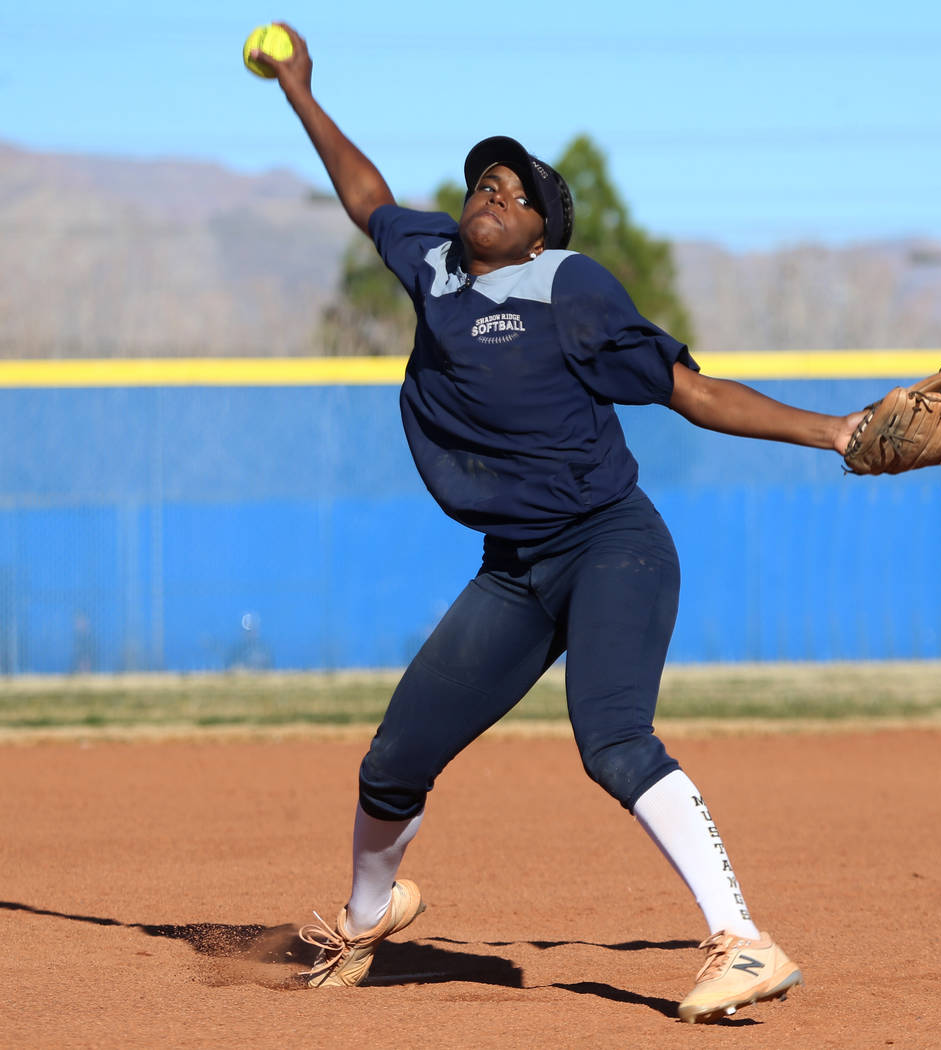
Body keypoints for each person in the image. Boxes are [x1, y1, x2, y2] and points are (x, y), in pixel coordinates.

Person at [253, 25, 865, 1024]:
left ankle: (743, 940)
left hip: (611, 542)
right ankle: (367, 919)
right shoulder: (434, 265)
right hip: (513, 573)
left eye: (515, 189)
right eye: (484, 179)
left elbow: (686, 393)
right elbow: (365, 196)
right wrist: (299, 90)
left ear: (541, 228)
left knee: (613, 738)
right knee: (392, 763)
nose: (492, 190)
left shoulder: (566, 285)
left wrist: (833, 431)